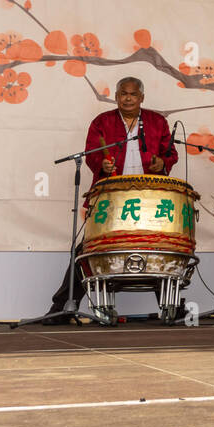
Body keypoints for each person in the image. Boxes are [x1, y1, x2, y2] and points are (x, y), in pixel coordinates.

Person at [44, 76, 178, 322]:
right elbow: (91, 153)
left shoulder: (157, 121)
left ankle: (173, 308)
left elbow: (171, 153)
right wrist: (101, 164)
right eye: (123, 94)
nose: (128, 98)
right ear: (116, 97)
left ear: (142, 98)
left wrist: (163, 162)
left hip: (149, 198)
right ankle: (61, 307)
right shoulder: (102, 122)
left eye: (133, 94)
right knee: (86, 251)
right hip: (110, 196)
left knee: (159, 248)